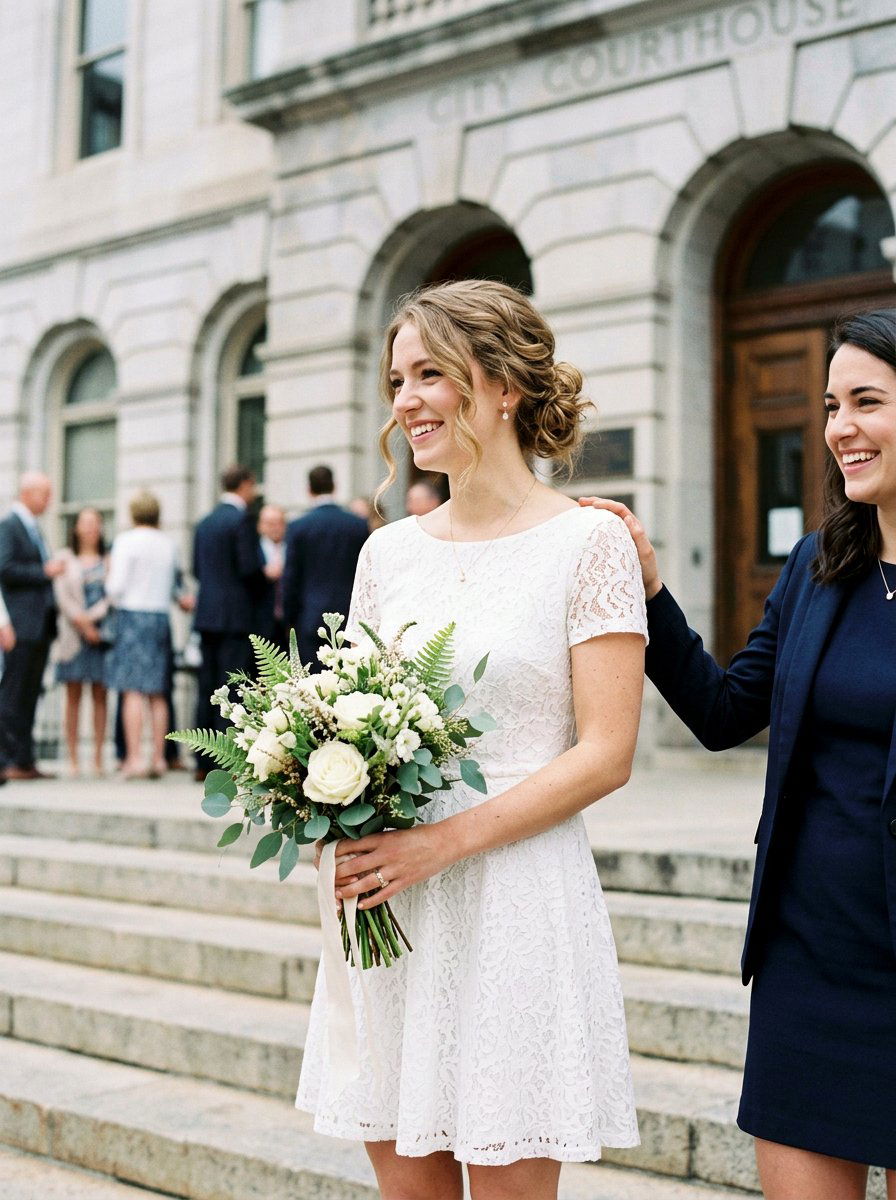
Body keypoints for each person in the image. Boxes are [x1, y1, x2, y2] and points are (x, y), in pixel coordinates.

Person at [296, 280, 648, 1200]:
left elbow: (607, 752)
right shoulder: (387, 552)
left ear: (502, 386)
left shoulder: (588, 543)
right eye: (396, 379)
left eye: (428, 375)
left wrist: (440, 843)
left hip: (517, 897)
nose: (403, 400)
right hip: (390, 906)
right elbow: (355, 712)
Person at [582, 310, 896, 1200]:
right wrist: (648, 591)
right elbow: (723, 713)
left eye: (867, 401)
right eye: (834, 405)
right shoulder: (815, 566)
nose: (840, 428)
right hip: (809, 957)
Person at [106, 491, 191, 780]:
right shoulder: (169, 544)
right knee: (158, 692)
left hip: (132, 615)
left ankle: (134, 758)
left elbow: (115, 587)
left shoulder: (125, 542)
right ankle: (159, 758)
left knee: (132, 691)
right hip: (159, 617)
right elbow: (176, 586)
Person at [192, 465, 266, 779]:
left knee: (206, 687)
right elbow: (249, 568)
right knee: (231, 689)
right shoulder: (242, 520)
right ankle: (227, 760)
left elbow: (196, 569)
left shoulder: (204, 522)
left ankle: (201, 759)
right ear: (245, 485)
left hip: (207, 614)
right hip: (235, 616)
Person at [0, 472, 65, 781]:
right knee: (13, 695)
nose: (49, 500)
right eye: (45, 493)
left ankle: (25, 759)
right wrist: (44, 571)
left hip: (41, 626)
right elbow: (6, 568)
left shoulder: (35, 528)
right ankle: (9, 759)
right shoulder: (9, 526)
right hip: (21, 624)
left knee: (30, 694)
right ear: (27, 493)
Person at [282, 465, 368, 669]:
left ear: (309, 489)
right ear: (334, 486)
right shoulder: (357, 525)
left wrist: (288, 618)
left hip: (309, 616)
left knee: (313, 687)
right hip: (349, 616)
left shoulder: (298, 527)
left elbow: (290, 577)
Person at [54, 507, 110, 777]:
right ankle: (73, 757)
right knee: (73, 697)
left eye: (95, 522)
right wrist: (83, 624)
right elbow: (62, 596)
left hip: (101, 636)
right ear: (76, 527)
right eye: (85, 523)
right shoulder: (64, 557)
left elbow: (112, 595)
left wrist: (93, 621)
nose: (90, 528)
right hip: (73, 638)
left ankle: (98, 757)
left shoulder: (108, 559)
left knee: (100, 696)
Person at [257, 503, 287, 649]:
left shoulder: (293, 548)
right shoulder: (252, 550)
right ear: (260, 525)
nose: (275, 527)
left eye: (279, 523)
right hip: (260, 623)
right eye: (270, 523)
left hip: (287, 623)